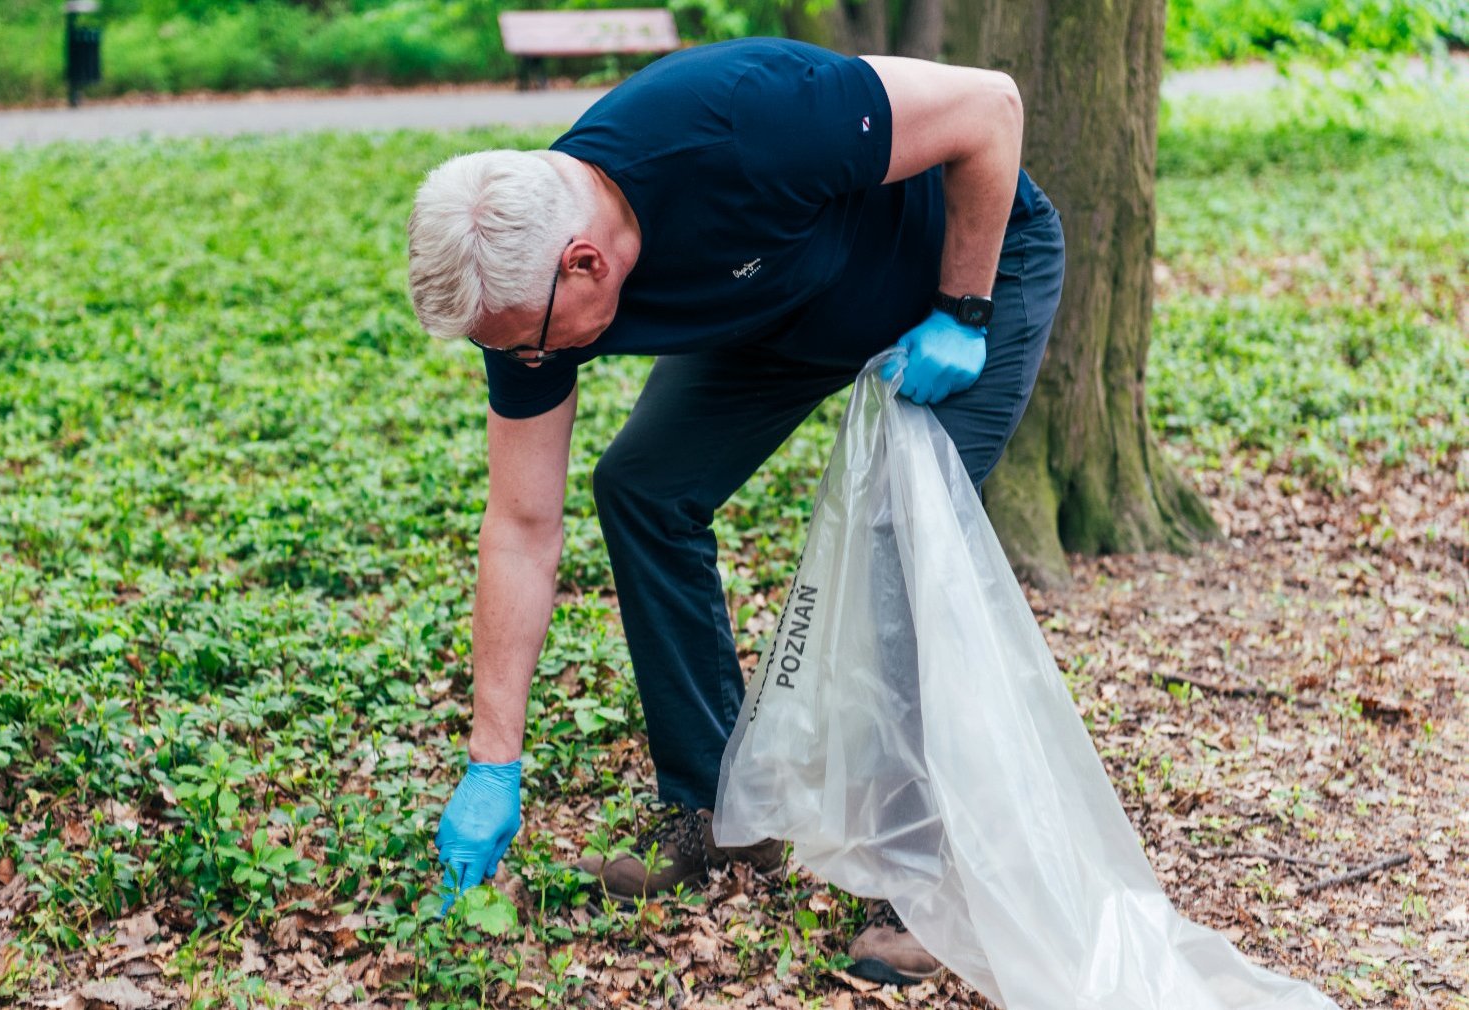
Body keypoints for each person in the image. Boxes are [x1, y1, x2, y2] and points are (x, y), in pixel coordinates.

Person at [405, 36, 1064, 985]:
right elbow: (522, 523)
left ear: (586, 264)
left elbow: (991, 109)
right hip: (782, 314)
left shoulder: (746, 120)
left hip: (954, 272)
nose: (526, 364)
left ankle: (923, 876)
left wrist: (962, 312)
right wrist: (491, 762)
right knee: (642, 489)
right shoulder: (523, 294)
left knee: (897, 538)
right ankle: (722, 813)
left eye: (535, 348)